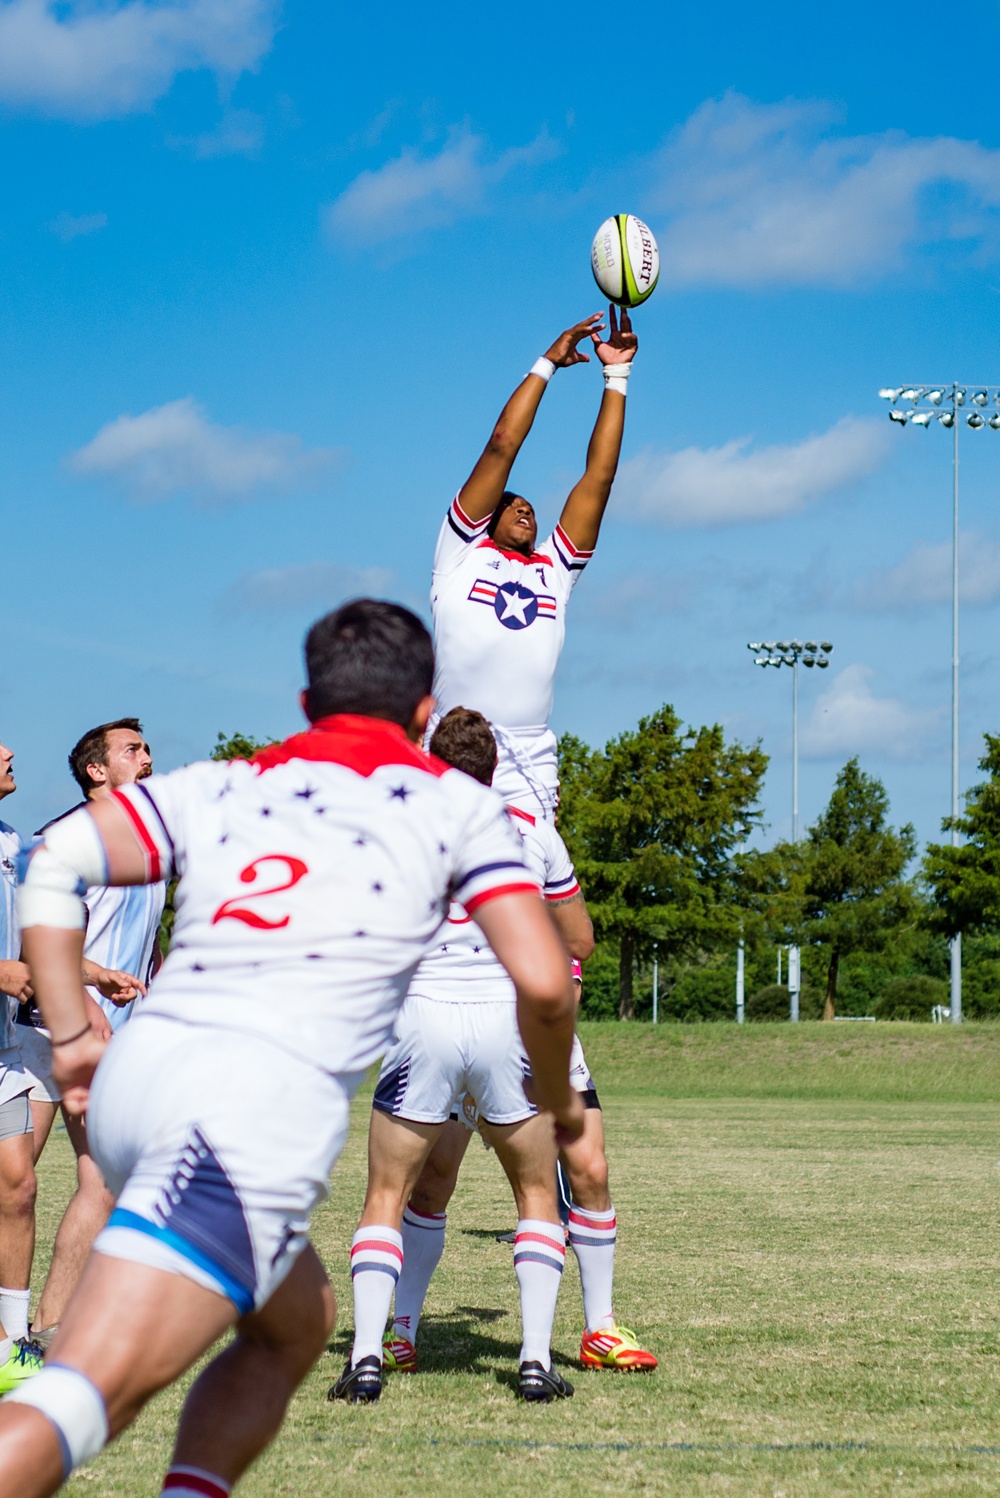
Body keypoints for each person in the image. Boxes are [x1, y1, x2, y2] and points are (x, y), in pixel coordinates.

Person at [0, 600, 582, 1497]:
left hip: (141, 1080)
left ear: (309, 698)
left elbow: (53, 860)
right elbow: (545, 980)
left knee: (298, 1320)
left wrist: (72, 1034)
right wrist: (561, 1101)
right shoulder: (457, 810)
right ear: (425, 710)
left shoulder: (228, 783)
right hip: (240, 1116)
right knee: (86, 1395)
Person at [379, 711, 657, 1377]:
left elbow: (579, 937)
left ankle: (600, 1329)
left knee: (587, 1168)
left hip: (523, 1029)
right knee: (433, 1177)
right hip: (446, 1023)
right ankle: (402, 1328)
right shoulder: (414, 835)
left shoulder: (531, 835)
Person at [335, 706, 592, 1406]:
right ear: (494, 769)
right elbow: (581, 940)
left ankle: (365, 1358)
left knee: (386, 1196)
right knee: (536, 1194)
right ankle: (534, 1363)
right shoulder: (534, 832)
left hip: (422, 1019)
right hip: (504, 1020)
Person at [429, 306, 637, 819]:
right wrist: (547, 364)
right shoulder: (460, 553)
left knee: (527, 890)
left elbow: (599, 477)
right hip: (452, 744)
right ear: (483, 517)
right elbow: (502, 447)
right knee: (446, 889)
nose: (523, 506)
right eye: (510, 503)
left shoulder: (554, 570)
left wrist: (617, 375)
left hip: (529, 758)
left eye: (530, 507)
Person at [20, 720, 158, 1351]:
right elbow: (34, 937)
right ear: (97, 771)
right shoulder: (64, 843)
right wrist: (78, 996)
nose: (148, 758)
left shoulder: (152, 848)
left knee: (97, 1179)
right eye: (132, 750)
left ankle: (50, 1325)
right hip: (43, 1028)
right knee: (14, 1183)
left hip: (111, 1038)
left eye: (147, 747)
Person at [0, 737, 45, 1392]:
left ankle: (16, 1339)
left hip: (3, 1050)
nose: (10, 750)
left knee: (18, 1185)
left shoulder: (14, 843)